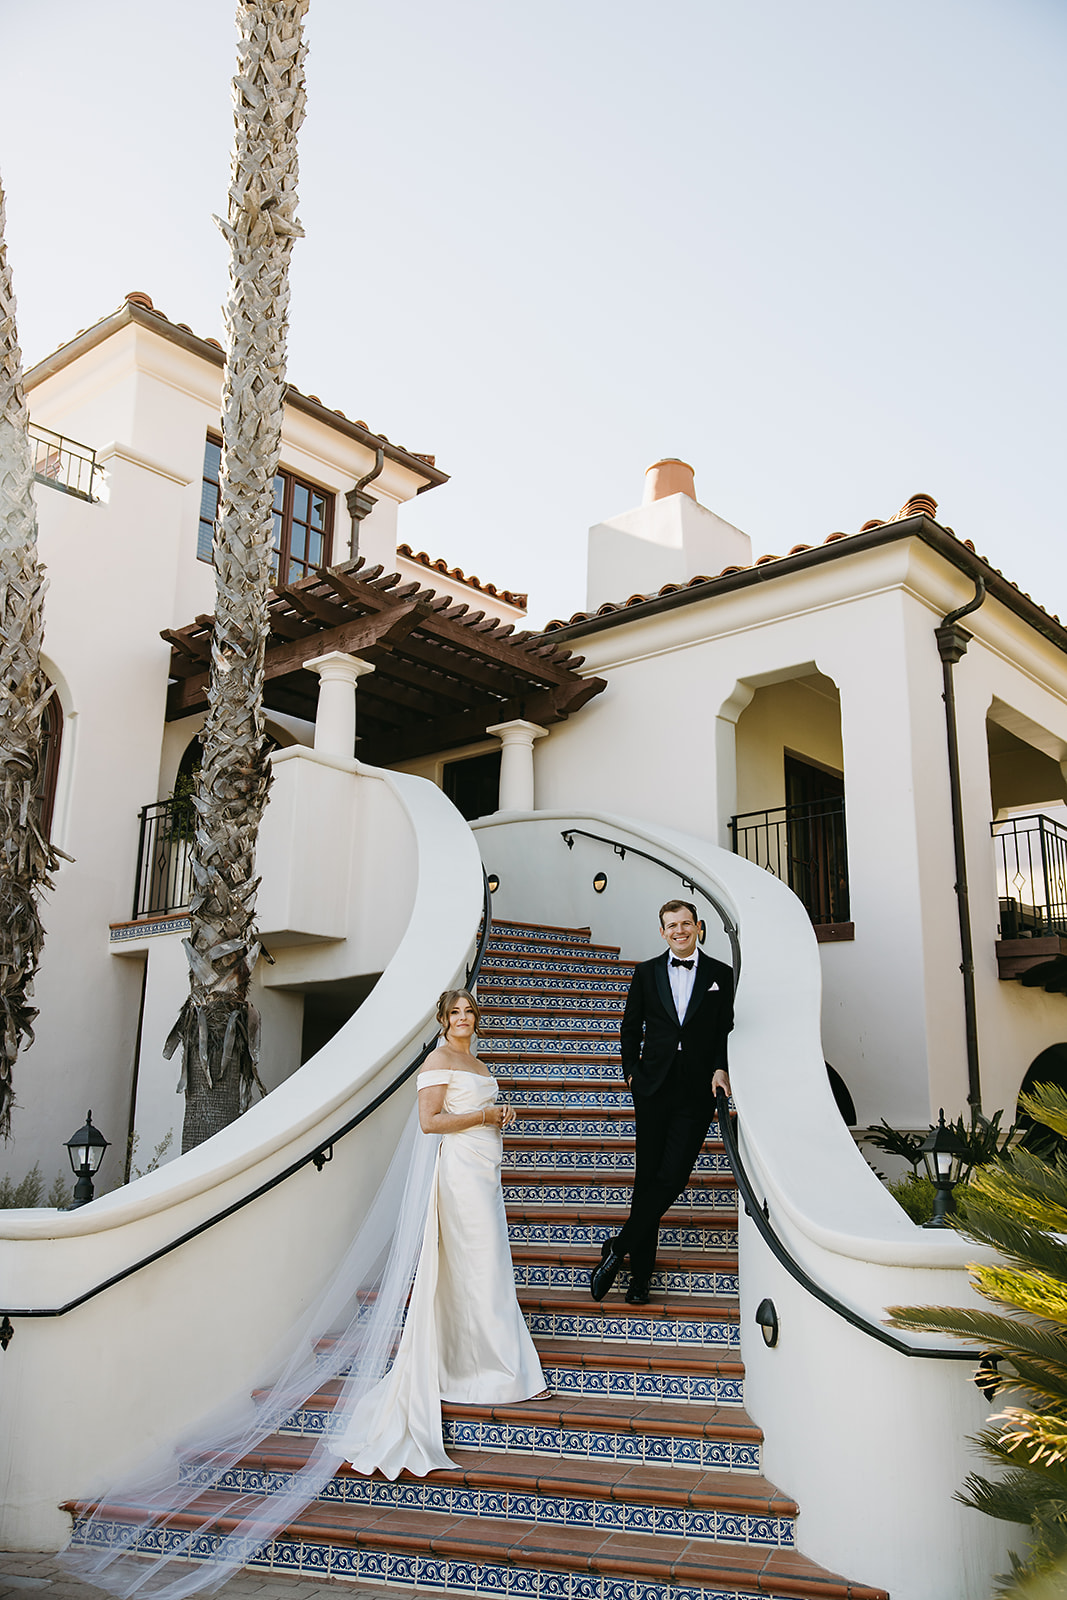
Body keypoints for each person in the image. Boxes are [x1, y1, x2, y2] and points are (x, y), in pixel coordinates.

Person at [336, 987, 549, 1477]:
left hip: (484, 1171)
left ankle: (492, 1364)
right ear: (442, 1018)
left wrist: (500, 1116)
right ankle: (484, 1370)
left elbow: (475, 1115)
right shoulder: (437, 1061)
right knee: (478, 1265)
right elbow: (430, 1122)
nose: (463, 1019)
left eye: (469, 1011)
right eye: (455, 1013)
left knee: (488, 1265)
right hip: (459, 1176)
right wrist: (483, 1115)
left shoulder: (475, 1062)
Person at [589, 900, 733, 1305]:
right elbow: (630, 1027)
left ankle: (618, 1247)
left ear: (698, 927)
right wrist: (631, 1073)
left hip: (698, 1091)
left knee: (673, 1177)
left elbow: (725, 1030)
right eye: (671, 925)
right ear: (662, 931)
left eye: (686, 923)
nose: (679, 931)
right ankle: (639, 1281)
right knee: (647, 1180)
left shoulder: (722, 974)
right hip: (652, 1088)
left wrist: (721, 1069)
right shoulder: (646, 972)